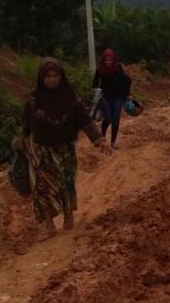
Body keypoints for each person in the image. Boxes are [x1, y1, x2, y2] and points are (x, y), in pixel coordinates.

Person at [22, 58, 110, 239]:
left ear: (61, 77)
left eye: (55, 76)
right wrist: (20, 142)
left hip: (64, 149)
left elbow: (85, 119)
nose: (52, 80)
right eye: (48, 76)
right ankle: (49, 225)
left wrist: (99, 140)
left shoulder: (71, 98)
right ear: (41, 78)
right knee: (42, 187)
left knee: (65, 183)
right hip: (40, 150)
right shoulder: (33, 100)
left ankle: (68, 215)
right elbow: (26, 125)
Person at [92, 48, 132, 149]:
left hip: (118, 96)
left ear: (114, 60)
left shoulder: (118, 68)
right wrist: (96, 90)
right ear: (103, 60)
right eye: (106, 60)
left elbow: (125, 80)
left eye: (110, 60)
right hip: (105, 97)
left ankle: (113, 142)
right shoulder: (100, 69)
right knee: (108, 118)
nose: (108, 62)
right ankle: (103, 136)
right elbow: (95, 83)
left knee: (116, 119)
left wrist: (127, 94)